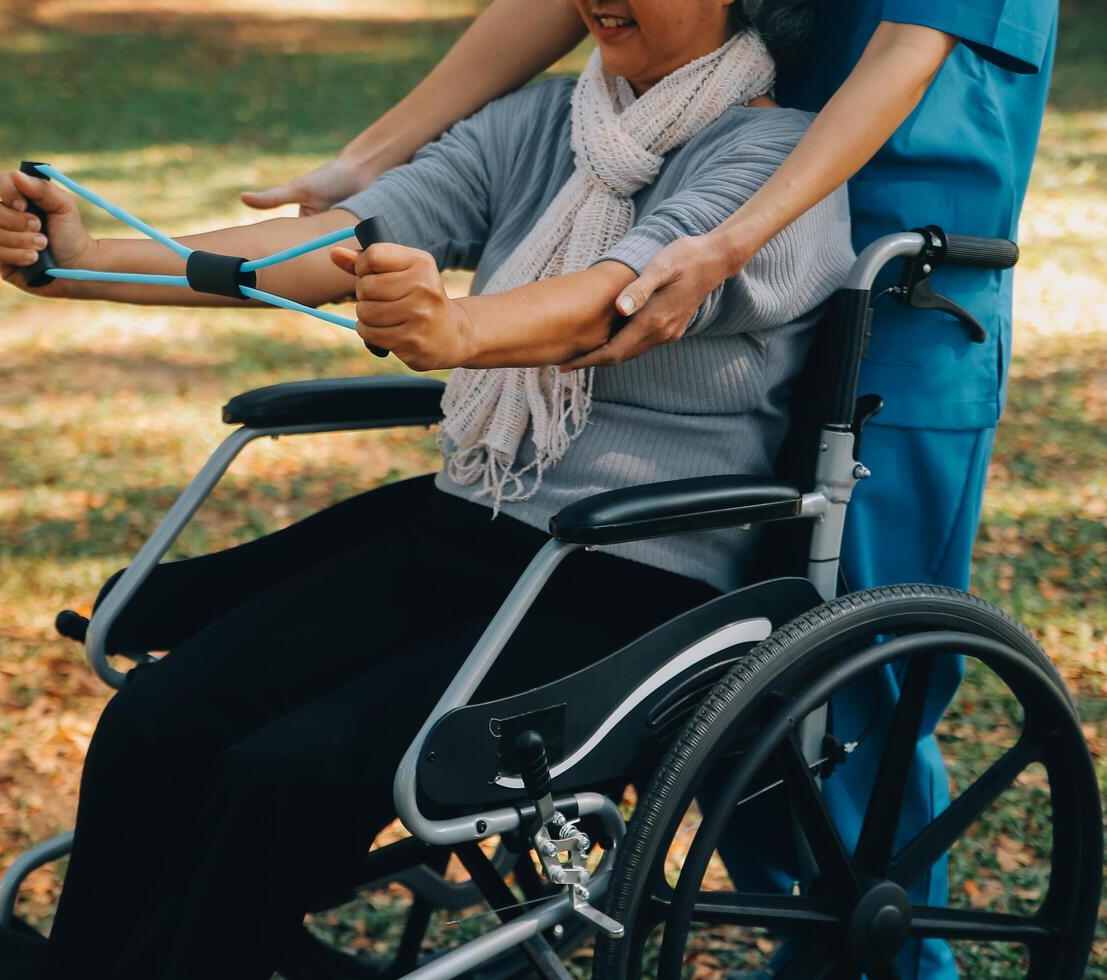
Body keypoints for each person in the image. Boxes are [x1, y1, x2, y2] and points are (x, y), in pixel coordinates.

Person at [0, 0, 853, 975]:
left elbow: (622, 294)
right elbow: (326, 245)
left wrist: (461, 331)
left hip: (629, 579)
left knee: (287, 774)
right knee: (156, 722)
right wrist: (86, 260)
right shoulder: (542, 122)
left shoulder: (777, 161)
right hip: (470, 524)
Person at [241, 1, 1059, 977]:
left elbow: (905, 54)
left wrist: (738, 236)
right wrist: (373, 155)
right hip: (699, 217)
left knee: (852, 702)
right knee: (710, 687)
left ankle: (888, 963)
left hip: (888, 305)